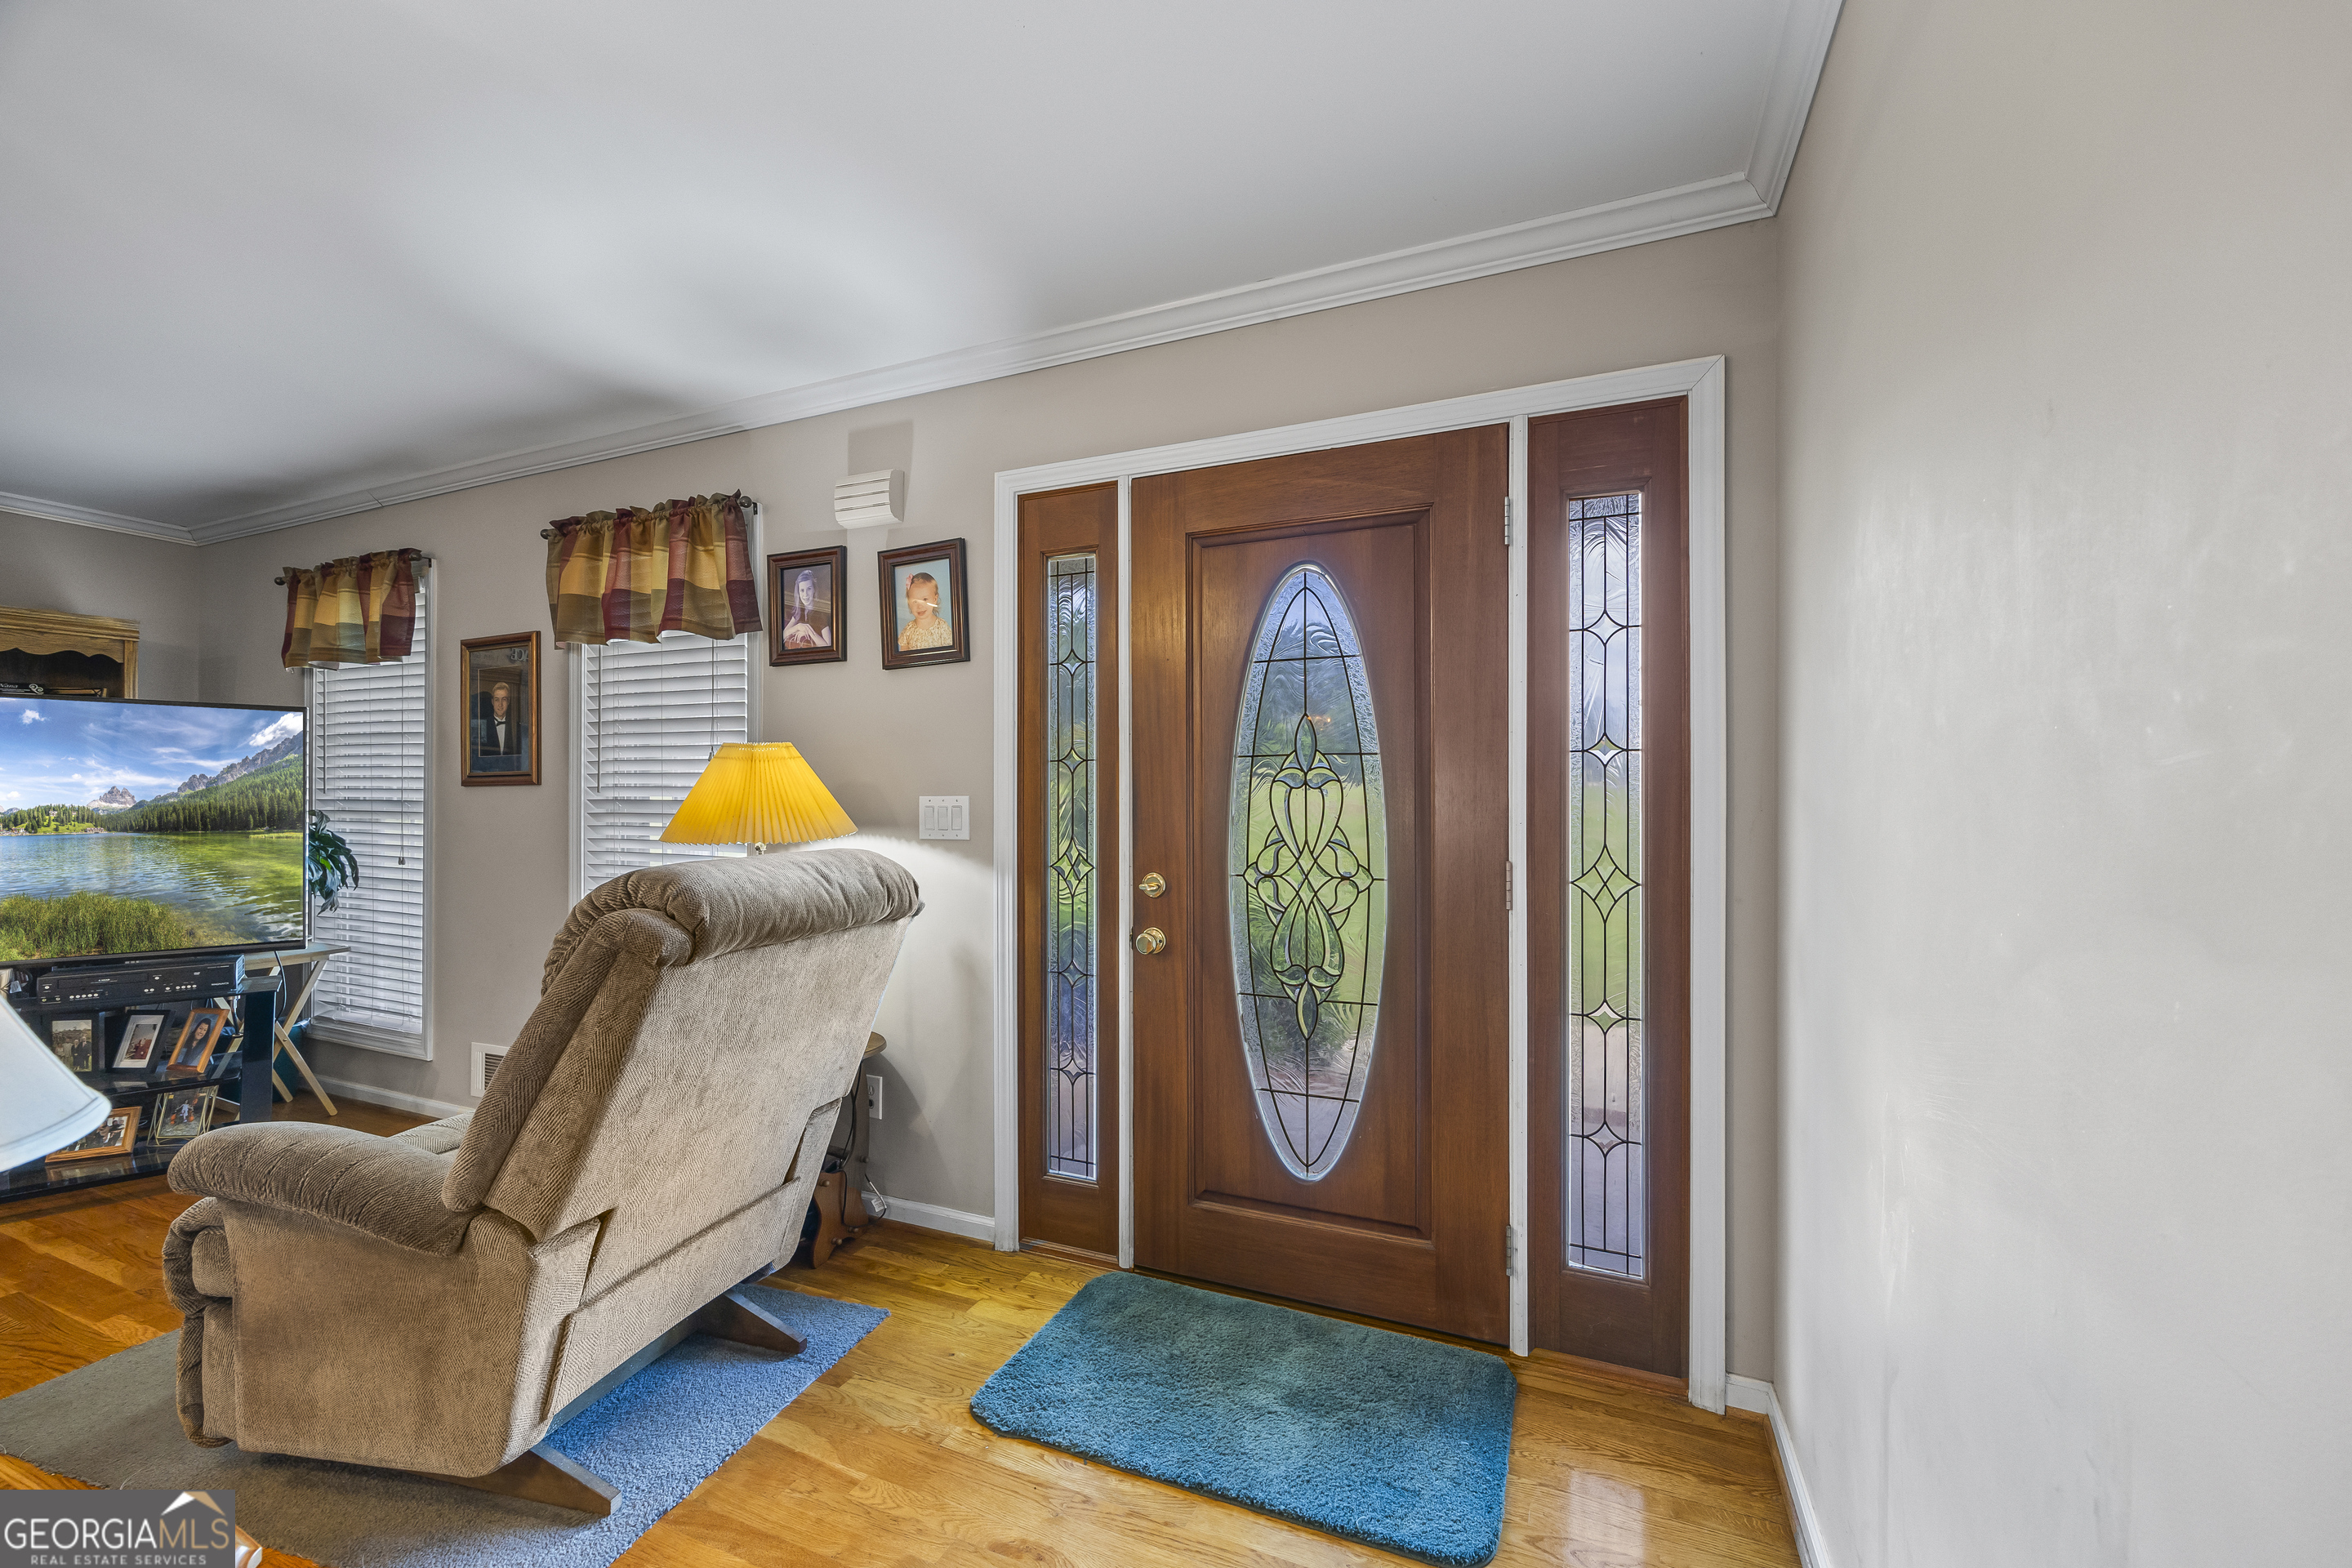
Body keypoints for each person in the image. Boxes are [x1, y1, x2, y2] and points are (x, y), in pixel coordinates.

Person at [472, 678, 528, 773]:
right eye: (497, 700)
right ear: (492, 702)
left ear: (508, 702)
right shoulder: (481, 727)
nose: (500, 705)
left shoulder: (517, 728)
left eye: (504, 700)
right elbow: (476, 761)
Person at [898, 569, 951, 652]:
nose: (920, 606)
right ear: (909, 603)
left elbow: (950, 653)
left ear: (935, 599)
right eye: (915, 601)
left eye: (925, 599)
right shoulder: (909, 630)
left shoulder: (942, 627)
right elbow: (903, 657)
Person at [782, 568, 831, 648]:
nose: (805, 595)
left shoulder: (820, 613)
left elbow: (828, 645)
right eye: (802, 590)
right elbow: (783, 635)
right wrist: (798, 627)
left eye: (809, 589)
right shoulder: (800, 611)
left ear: (814, 590)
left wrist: (808, 631)